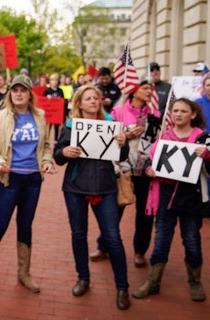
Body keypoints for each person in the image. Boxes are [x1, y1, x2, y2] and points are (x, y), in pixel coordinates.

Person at [0, 75, 55, 297]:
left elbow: (46, 146)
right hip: (8, 180)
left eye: (23, 90)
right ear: (10, 93)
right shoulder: (0, 119)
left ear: (30, 93)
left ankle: (24, 272)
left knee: (25, 225)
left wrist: (46, 161)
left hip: (33, 180)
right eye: (15, 90)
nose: (18, 93)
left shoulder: (39, 116)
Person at [53, 85, 131, 310]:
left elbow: (121, 156)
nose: (93, 101)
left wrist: (123, 143)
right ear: (79, 103)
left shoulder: (111, 125)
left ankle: (122, 286)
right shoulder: (70, 126)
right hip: (75, 187)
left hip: (105, 187)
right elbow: (58, 156)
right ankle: (83, 277)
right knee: (78, 234)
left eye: (95, 98)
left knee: (113, 237)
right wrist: (65, 152)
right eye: (87, 98)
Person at [133, 98, 208, 302]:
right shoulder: (164, 136)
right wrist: (149, 168)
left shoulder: (202, 138)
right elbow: (151, 159)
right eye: (175, 110)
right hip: (165, 193)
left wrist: (208, 155)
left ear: (193, 114)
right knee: (162, 239)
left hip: (190, 197)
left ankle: (195, 281)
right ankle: (153, 281)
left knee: (191, 239)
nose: (178, 114)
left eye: (183, 111)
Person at [91, 80, 161, 267]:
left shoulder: (155, 114)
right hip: (123, 169)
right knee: (114, 211)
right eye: (145, 88)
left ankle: (140, 251)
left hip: (147, 171)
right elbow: (108, 139)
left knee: (145, 215)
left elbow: (161, 141)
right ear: (134, 90)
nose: (149, 91)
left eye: (151, 89)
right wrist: (126, 136)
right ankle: (104, 245)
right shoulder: (118, 111)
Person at [43, 73, 66, 142]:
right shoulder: (47, 91)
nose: (54, 82)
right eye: (52, 80)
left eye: (56, 80)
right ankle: (46, 138)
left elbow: (63, 101)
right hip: (49, 112)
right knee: (48, 125)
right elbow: (42, 102)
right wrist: (47, 98)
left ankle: (56, 139)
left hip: (56, 112)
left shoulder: (60, 91)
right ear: (49, 81)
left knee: (56, 126)